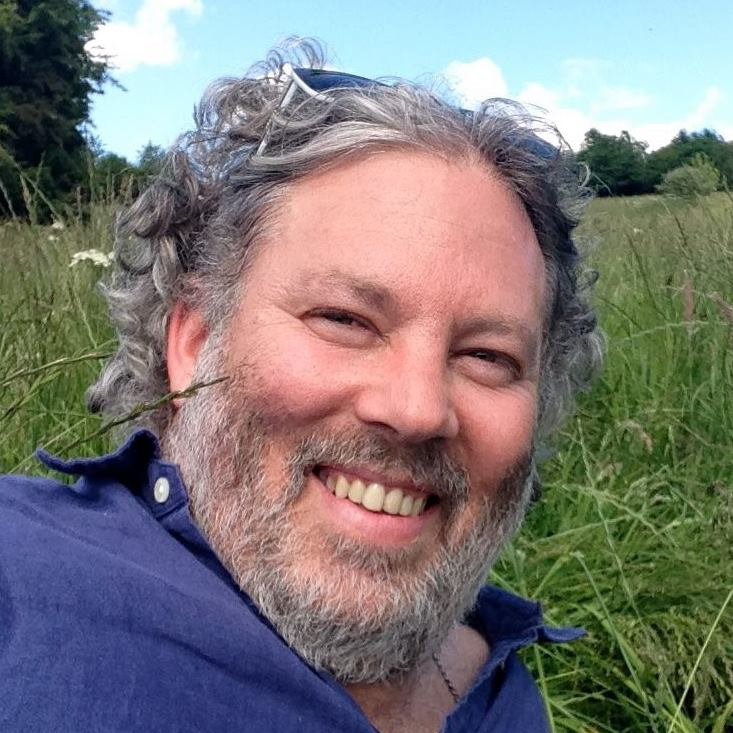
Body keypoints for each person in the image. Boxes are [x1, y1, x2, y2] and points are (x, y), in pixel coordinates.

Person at [0, 41, 602, 732]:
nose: (416, 409)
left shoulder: (504, 691)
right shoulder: (18, 576)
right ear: (193, 341)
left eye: (488, 357)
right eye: (343, 319)